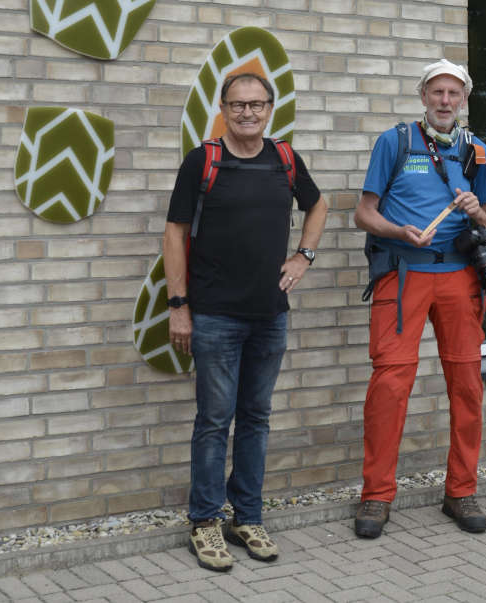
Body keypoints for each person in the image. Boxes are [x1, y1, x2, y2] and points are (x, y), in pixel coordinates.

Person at [164, 73, 327, 572]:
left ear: (270, 108)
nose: (248, 113)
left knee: (256, 418)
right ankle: (206, 522)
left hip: (270, 315)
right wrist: (179, 305)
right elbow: (175, 232)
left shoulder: (285, 159)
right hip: (214, 314)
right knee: (214, 422)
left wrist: (303, 256)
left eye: (256, 104)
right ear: (224, 108)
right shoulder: (204, 160)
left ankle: (247, 517)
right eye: (238, 105)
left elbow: (318, 205)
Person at [352, 59, 486, 539]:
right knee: (390, 386)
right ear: (423, 96)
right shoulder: (395, 142)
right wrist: (398, 231)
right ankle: (376, 496)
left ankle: (461, 490)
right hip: (402, 276)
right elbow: (363, 214)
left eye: (453, 94)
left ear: (463, 100)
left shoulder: (477, 151)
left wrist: (479, 211)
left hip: (460, 278)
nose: (445, 101)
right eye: (437, 92)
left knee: (467, 384)